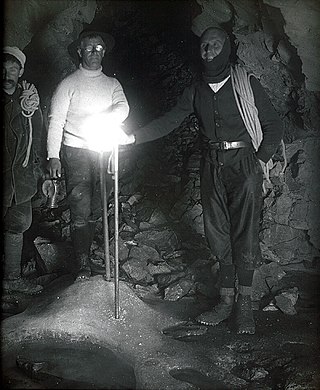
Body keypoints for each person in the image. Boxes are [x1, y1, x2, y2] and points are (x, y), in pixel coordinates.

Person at [131, 27, 283, 334]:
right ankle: (225, 301)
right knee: (216, 232)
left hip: (244, 164)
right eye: (203, 45)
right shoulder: (196, 89)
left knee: (246, 232)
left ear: (226, 48)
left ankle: (244, 305)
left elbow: (273, 124)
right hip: (212, 163)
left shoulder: (247, 83)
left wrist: (259, 160)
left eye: (214, 44)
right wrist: (132, 137)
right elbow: (171, 120)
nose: (208, 49)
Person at [46, 29, 134, 283]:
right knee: (80, 204)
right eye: (89, 48)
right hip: (77, 152)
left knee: (98, 204)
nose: (94, 53)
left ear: (104, 51)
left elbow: (123, 106)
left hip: (103, 149)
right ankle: (81, 263)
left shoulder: (111, 84)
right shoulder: (69, 84)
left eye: (99, 48)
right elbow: (56, 121)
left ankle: (88, 257)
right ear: (79, 51)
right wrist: (53, 155)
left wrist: (108, 118)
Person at [3, 46, 44, 295]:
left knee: (18, 224)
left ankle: (12, 279)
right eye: (3, 68)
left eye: (13, 69)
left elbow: (36, 139)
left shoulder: (29, 101)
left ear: (21, 72)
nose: (7, 74)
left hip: (21, 179)